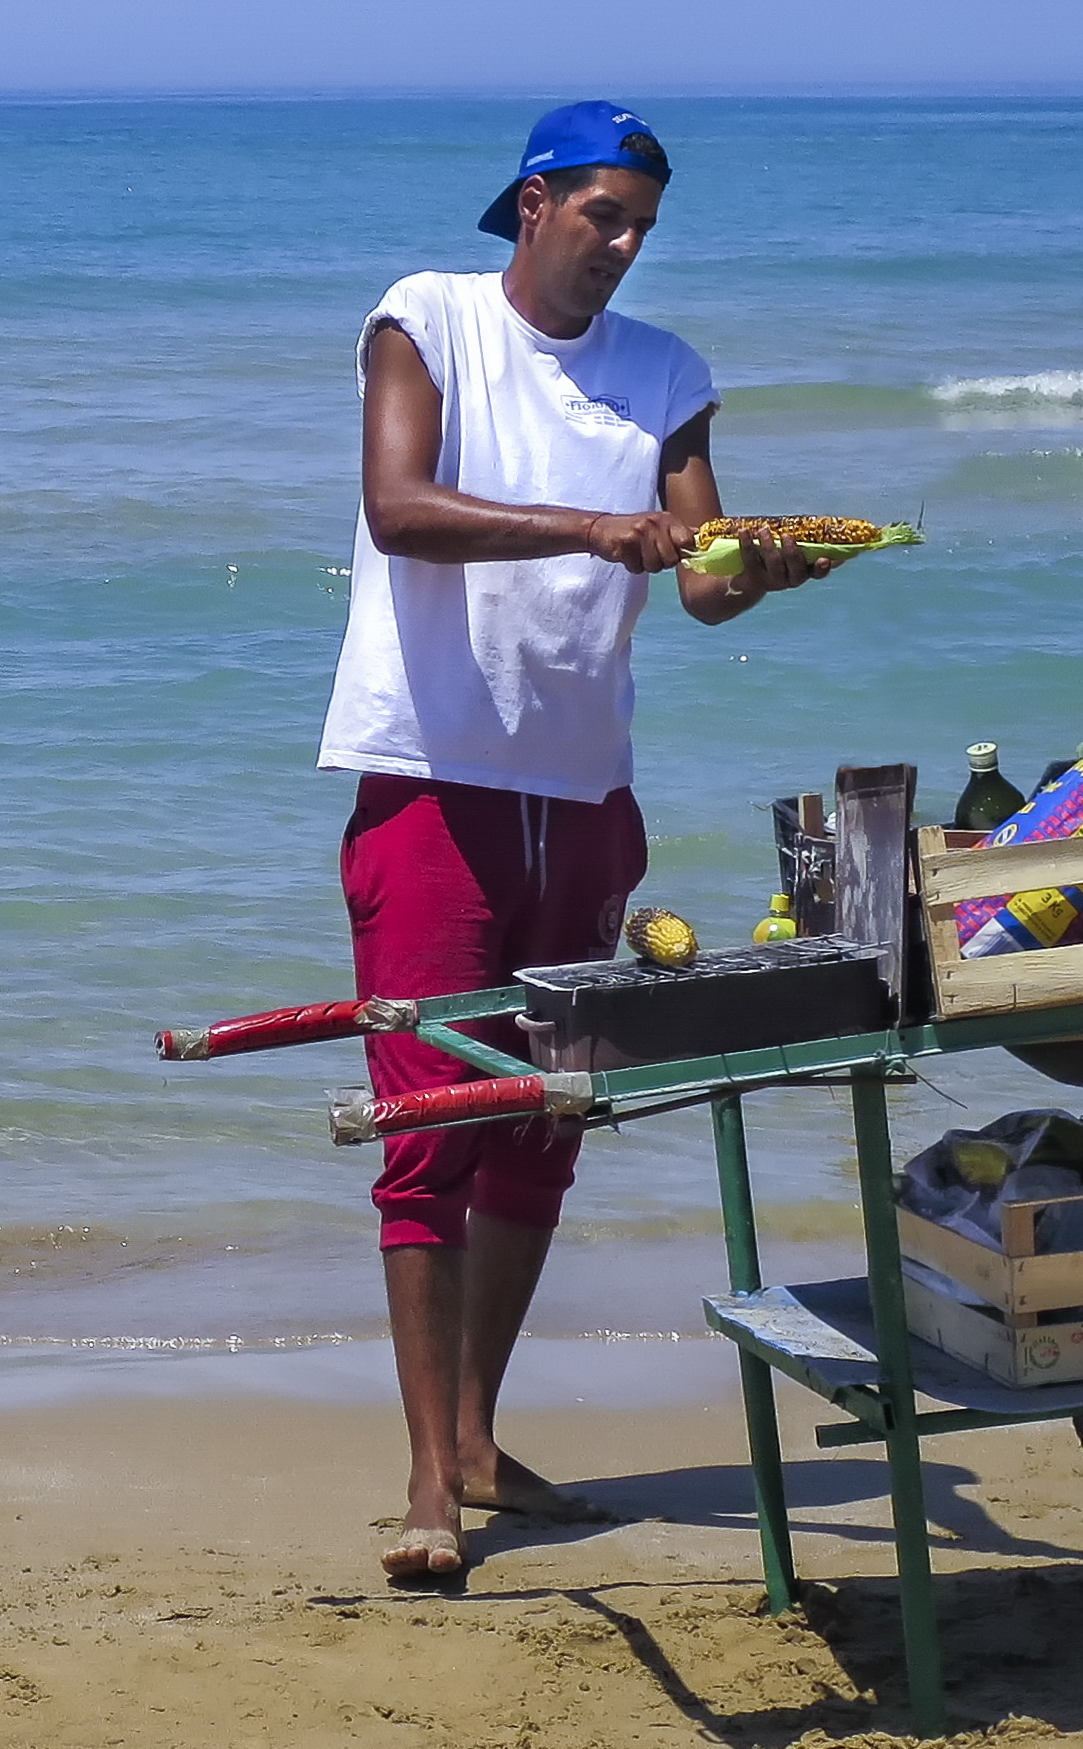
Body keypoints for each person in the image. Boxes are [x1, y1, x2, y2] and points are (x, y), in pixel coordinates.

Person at [318, 102, 832, 1586]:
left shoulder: (665, 372)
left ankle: (476, 1436)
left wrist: (765, 569)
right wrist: (591, 532)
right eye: (601, 215)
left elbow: (702, 579)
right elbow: (399, 510)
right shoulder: (426, 317)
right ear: (533, 202)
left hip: (583, 789)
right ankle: (424, 1477)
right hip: (429, 775)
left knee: (543, 1120)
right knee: (427, 1124)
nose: (619, 248)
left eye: (642, 229)